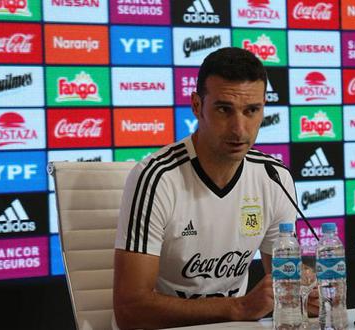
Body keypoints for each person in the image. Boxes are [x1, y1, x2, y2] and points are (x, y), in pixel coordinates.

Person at [113, 47, 305, 330]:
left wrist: (303, 294)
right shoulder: (155, 178)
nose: (239, 129)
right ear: (196, 105)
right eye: (224, 109)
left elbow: (284, 283)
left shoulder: (274, 177)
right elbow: (130, 311)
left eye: (252, 110)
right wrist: (238, 308)